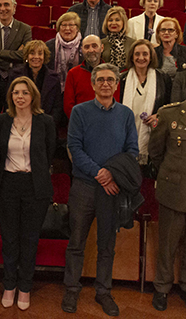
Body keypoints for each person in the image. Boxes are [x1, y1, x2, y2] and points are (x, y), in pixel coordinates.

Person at [61, 63, 139, 317]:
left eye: (110, 80)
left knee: (107, 245)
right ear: (93, 84)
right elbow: (74, 148)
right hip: (84, 187)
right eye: (101, 80)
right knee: (76, 242)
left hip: (111, 190)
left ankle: (103, 291)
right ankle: (72, 289)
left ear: (117, 85)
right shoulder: (79, 112)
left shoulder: (126, 115)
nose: (106, 83)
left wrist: (111, 176)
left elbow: (132, 152)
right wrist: (100, 173)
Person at [0, 77, 55, 311]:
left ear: (33, 96)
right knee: (9, 238)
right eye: (16, 92)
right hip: (8, 183)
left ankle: (25, 287)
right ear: (10, 96)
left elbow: (47, 154)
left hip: (35, 185)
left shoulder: (45, 121)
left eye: (25, 93)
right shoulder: (1, 120)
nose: (20, 96)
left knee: (29, 239)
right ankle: (9, 284)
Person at [148, 98, 186, 311]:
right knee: (168, 244)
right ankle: (162, 287)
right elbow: (155, 151)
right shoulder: (170, 114)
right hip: (174, 190)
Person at [118, 40, 172, 167]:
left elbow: (170, 106)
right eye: (137, 54)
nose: (141, 58)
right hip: (126, 131)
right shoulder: (122, 79)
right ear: (131, 56)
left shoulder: (163, 78)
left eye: (145, 54)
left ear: (151, 56)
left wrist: (159, 116)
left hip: (153, 134)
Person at [8, 41, 63, 124]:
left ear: (44, 56)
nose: (36, 57)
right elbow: (9, 101)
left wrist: (49, 124)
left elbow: (57, 106)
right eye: (32, 53)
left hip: (46, 123)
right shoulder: (15, 75)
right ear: (27, 56)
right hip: (19, 122)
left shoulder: (54, 78)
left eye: (40, 54)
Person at [64, 35, 110, 119]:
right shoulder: (73, 74)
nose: (91, 50)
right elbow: (68, 106)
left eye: (94, 46)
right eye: (87, 47)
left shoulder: (111, 73)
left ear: (102, 48)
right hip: (81, 126)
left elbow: (116, 103)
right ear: (82, 50)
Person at [47, 12, 83, 92]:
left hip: (78, 88)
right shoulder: (49, 46)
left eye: (71, 25)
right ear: (58, 28)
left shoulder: (84, 46)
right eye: (63, 25)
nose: (67, 28)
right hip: (54, 89)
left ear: (77, 28)